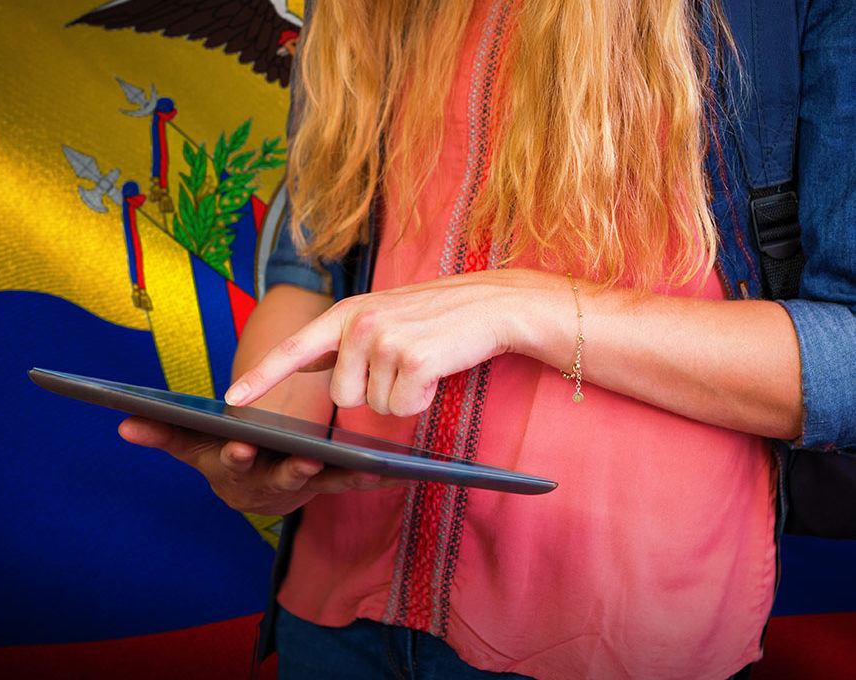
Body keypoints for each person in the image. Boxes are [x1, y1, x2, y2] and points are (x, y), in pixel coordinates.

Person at [119, 0, 856, 678]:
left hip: (617, 637)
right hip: (334, 604)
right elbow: (308, 264)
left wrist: (529, 308)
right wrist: (266, 439)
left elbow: (846, 357)